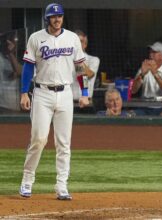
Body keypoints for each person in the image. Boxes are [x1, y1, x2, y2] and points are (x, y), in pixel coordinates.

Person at [19, 3, 89, 200]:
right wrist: (24, 93)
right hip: (42, 93)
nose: (57, 19)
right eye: (53, 16)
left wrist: (84, 92)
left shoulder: (72, 38)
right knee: (39, 139)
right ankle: (27, 180)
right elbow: (27, 67)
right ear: (47, 19)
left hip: (65, 93)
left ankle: (61, 185)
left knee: (64, 143)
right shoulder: (36, 38)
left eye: (60, 16)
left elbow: (80, 67)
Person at [131, 41, 162, 116]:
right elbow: (133, 90)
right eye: (150, 52)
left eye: (154, 52)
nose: (150, 55)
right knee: (130, 116)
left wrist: (155, 73)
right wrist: (142, 74)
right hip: (144, 107)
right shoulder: (144, 68)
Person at [71, 29, 100, 102]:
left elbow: (86, 76)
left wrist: (78, 58)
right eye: (74, 41)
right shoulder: (65, 60)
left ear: (85, 44)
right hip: (68, 101)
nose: (77, 44)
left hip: (86, 100)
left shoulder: (93, 60)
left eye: (80, 41)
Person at [0, 31, 22, 111]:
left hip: (13, 102)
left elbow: (19, 72)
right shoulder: (1, 58)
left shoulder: (16, 56)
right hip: (3, 103)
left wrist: (10, 53)